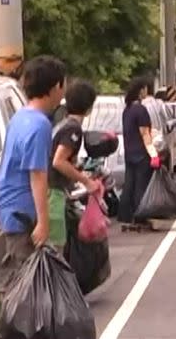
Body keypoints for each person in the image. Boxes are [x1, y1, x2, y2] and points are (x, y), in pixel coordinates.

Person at [0, 55, 66, 300]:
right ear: (55, 87)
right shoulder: (39, 125)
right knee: (23, 286)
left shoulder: (20, 117)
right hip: (22, 212)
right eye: (62, 86)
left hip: (9, 207)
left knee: (18, 278)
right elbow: (37, 175)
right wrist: (43, 222)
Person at [48, 79, 101, 252]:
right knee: (56, 248)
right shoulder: (73, 129)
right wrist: (86, 181)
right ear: (89, 108)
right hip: (53, 192)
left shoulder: (62, 124)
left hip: (49, 190)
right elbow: (59, 161)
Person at [118, 77, 161, 226]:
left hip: (129, 153)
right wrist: (153, 154)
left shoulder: (127, 110)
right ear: (140, 91)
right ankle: (140, 216)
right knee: (141, 185)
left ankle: (125, 215)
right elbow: (145, 134)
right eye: (145, 89)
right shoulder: (140, 110)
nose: (146, 92)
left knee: (129, 184)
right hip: (141, 154)